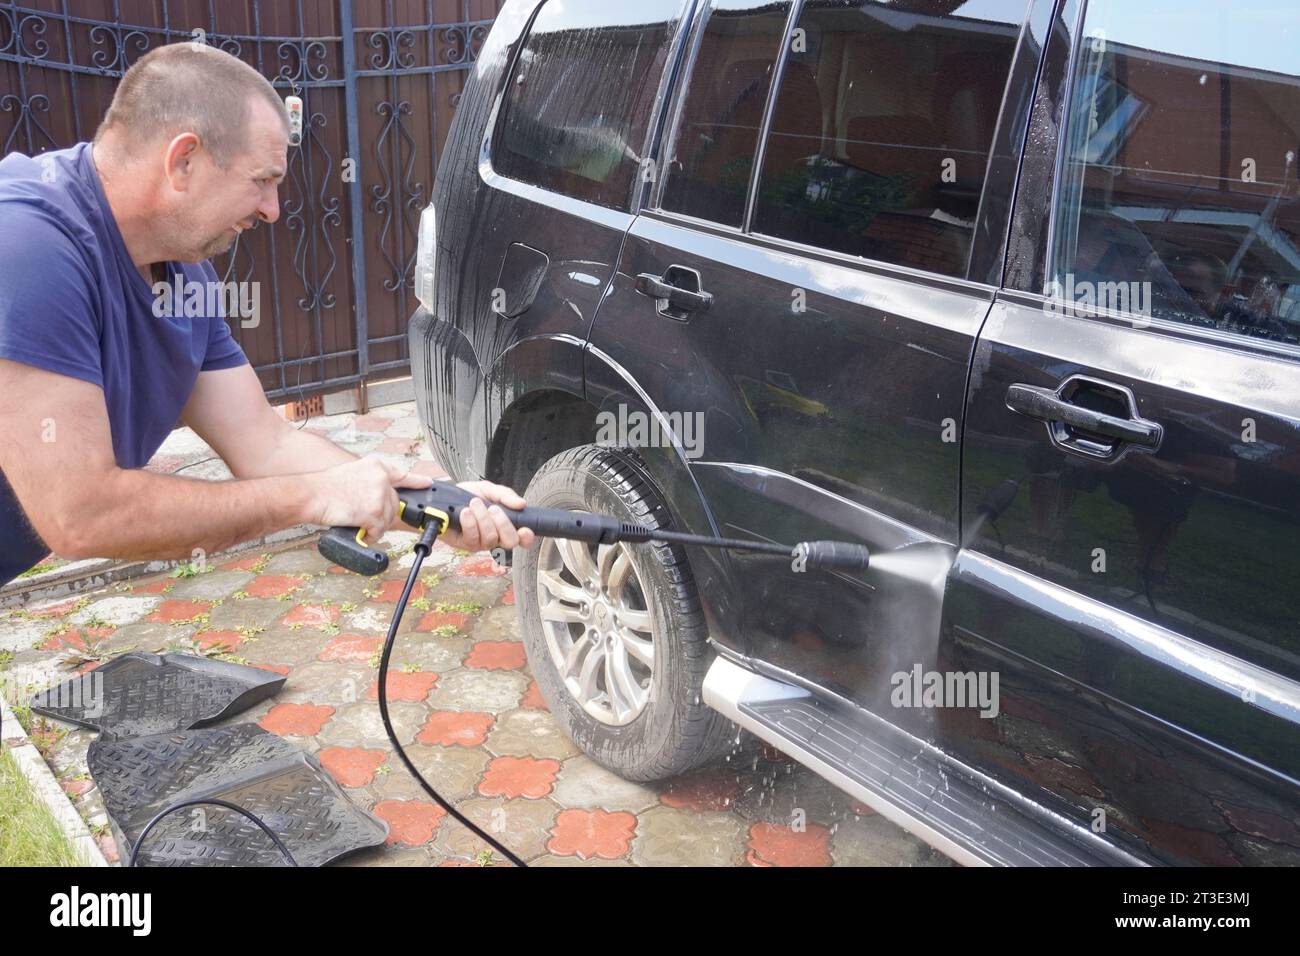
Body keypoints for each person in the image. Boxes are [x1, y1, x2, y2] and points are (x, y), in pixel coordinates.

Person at [0, 43, 534, 586]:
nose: (272, 210)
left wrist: (431, 499)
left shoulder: (186, 279)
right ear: (183, 161)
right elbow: (81, 515)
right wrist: (314, 498)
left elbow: (267, 443)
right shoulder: (27, 246)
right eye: (262, 180)